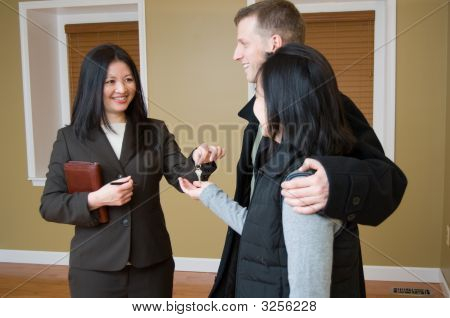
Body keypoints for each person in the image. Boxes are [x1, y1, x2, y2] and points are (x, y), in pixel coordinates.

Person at [211, 0, 407, 297]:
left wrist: (333, 181)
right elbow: (254, 200)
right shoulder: (258, 116)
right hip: (256, 264)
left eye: (243, 43)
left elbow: (389, 180)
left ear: (273, 43)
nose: (235, 55)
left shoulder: (330, 106)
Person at [39, 44, 224, 297]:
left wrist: (199, 157)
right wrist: (97, 199)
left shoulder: (155, 131)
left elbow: (185, 177)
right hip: (94, 269)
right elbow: (50, 204)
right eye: (110, 81)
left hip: (151, 265)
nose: (121, 89)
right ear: (93, 86)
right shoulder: (70, 138)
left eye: (128, 80)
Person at [180, 43, 360, 297]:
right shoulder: (281, 158)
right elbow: (261, 229)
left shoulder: (304, 186)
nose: (253, 104)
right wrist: (209, 194)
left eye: (259, 95)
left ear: (283, 105)